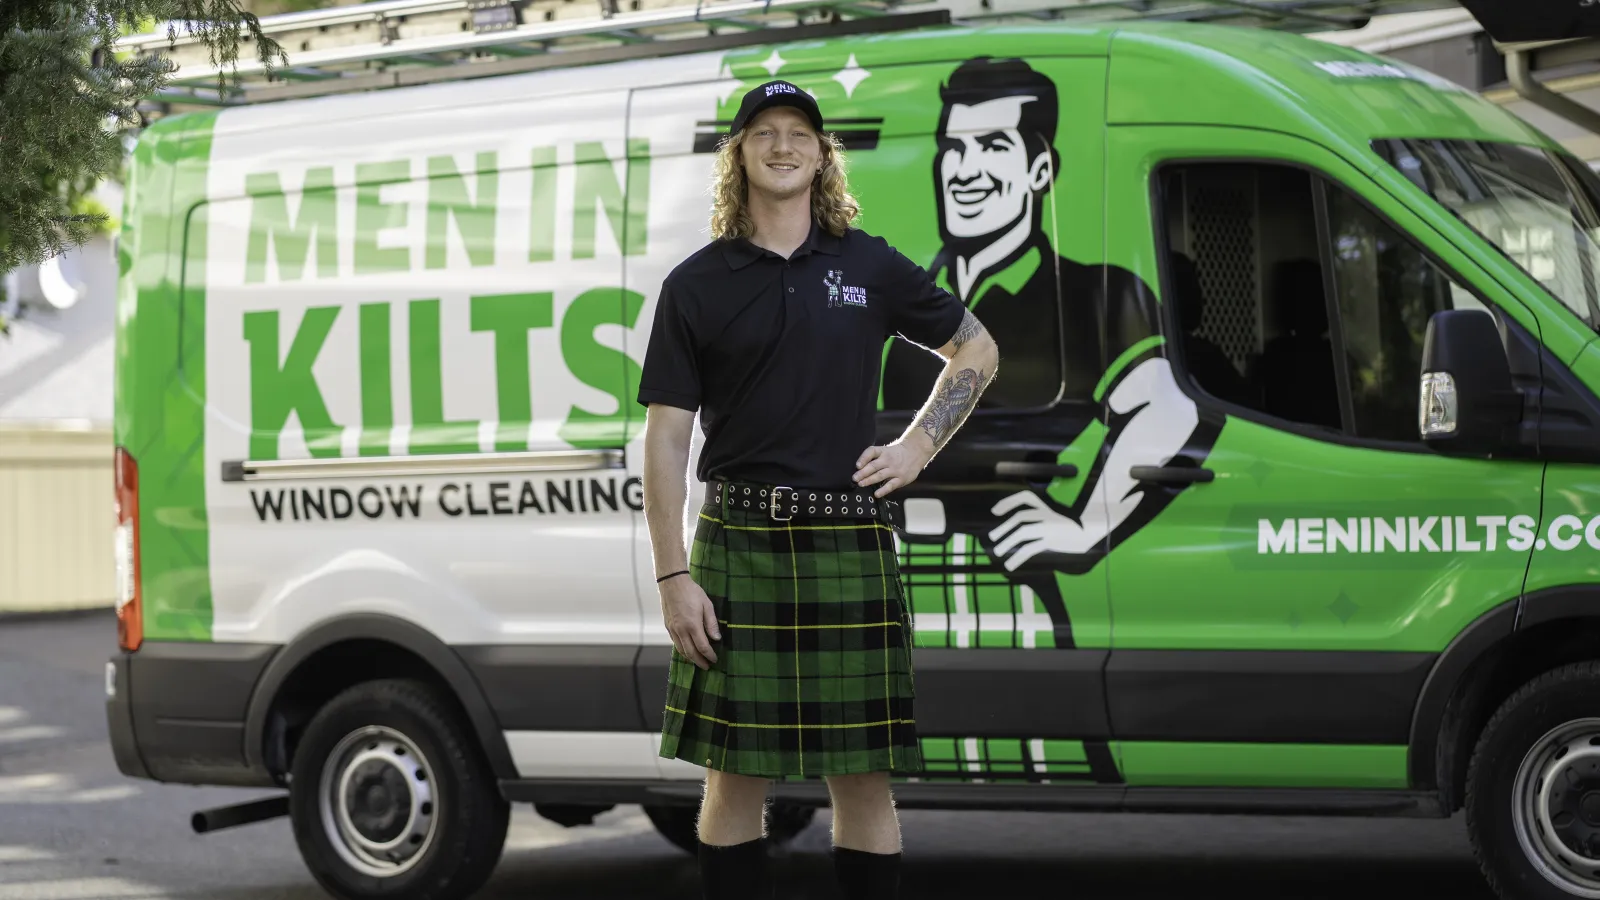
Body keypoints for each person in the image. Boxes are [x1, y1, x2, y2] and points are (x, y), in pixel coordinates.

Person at [635, 79, 999, 899]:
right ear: (739, 156)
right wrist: (671, 575)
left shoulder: (866, 263)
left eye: (799, 131)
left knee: (864, 774)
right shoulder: (696, 284)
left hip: (849, 540)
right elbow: (666, 434)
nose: (783, 144)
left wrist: (916, 446)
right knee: (734, 775)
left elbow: (975, 351)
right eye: (763, 132)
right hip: (737, 542)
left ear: (822, 153)